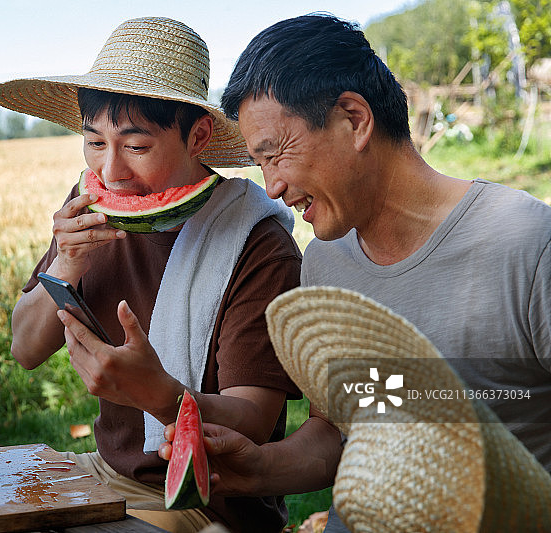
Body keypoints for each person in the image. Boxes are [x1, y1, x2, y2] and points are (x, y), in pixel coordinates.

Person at [159, 13, 551, 532]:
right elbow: (335, 434)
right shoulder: (325, 265)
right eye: (260, 165)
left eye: (274, 153)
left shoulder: (526, 243)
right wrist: (258, 469)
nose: (271, 187)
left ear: (354, 119)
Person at [0, 16, 334, 533]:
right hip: (106, 474)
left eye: (136, 145)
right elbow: (25, 348)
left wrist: (156, 393)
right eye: (94, 143)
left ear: (198, 136)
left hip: (206, 501)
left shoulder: (258, 244)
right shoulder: (87, 212)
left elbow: (254, 419)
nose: (111, 172)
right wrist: (67, 260)